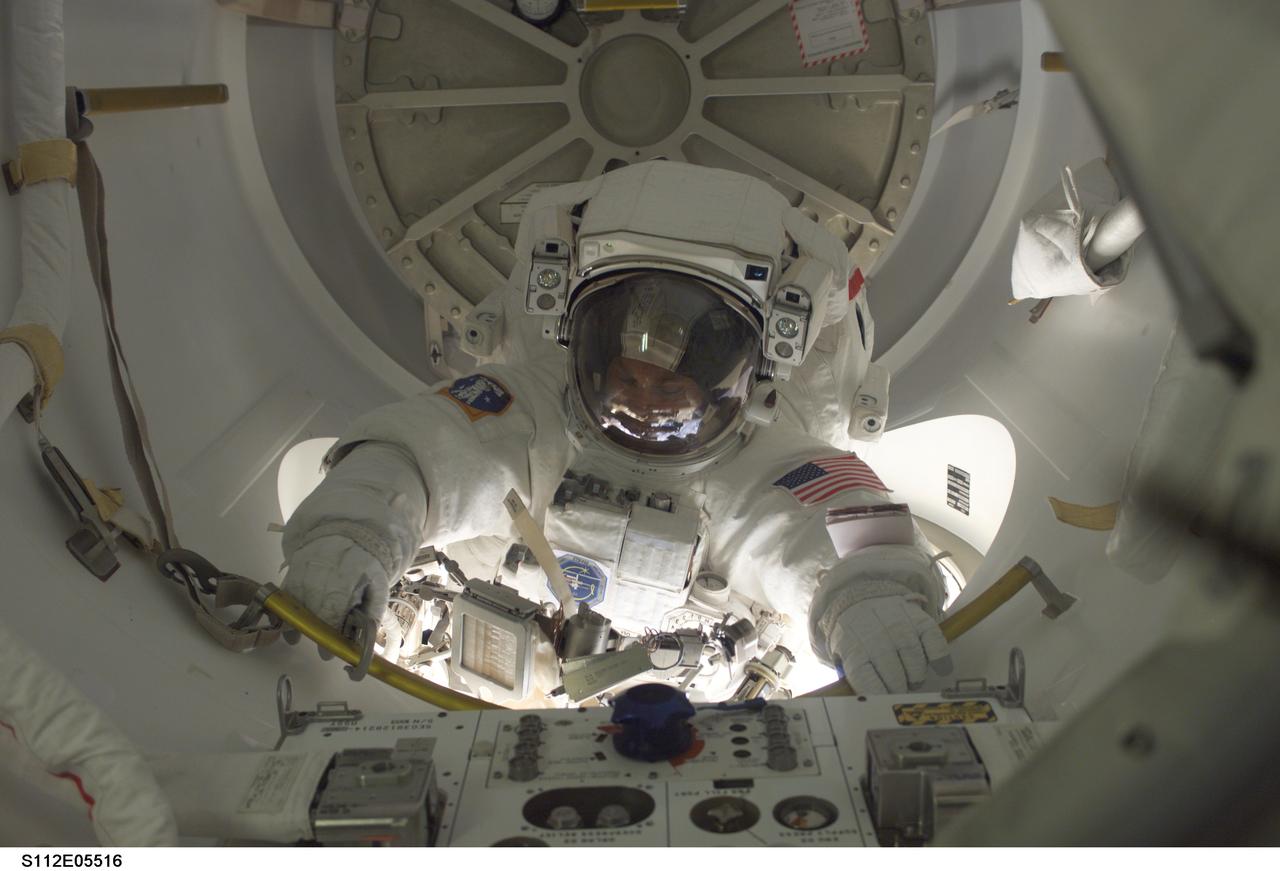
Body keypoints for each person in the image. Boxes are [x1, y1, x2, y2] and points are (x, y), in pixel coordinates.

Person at [281, 161, 948, 699]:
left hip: (699, 716)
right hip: (492, 676)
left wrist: (867, 603)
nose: (644, 402)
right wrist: (353, 533)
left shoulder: (772, 461)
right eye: (626, 378)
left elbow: (848, 527)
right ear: (583, 345)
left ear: (745, 374)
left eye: (671, 387)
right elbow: (415, 453)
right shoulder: (531, 412)